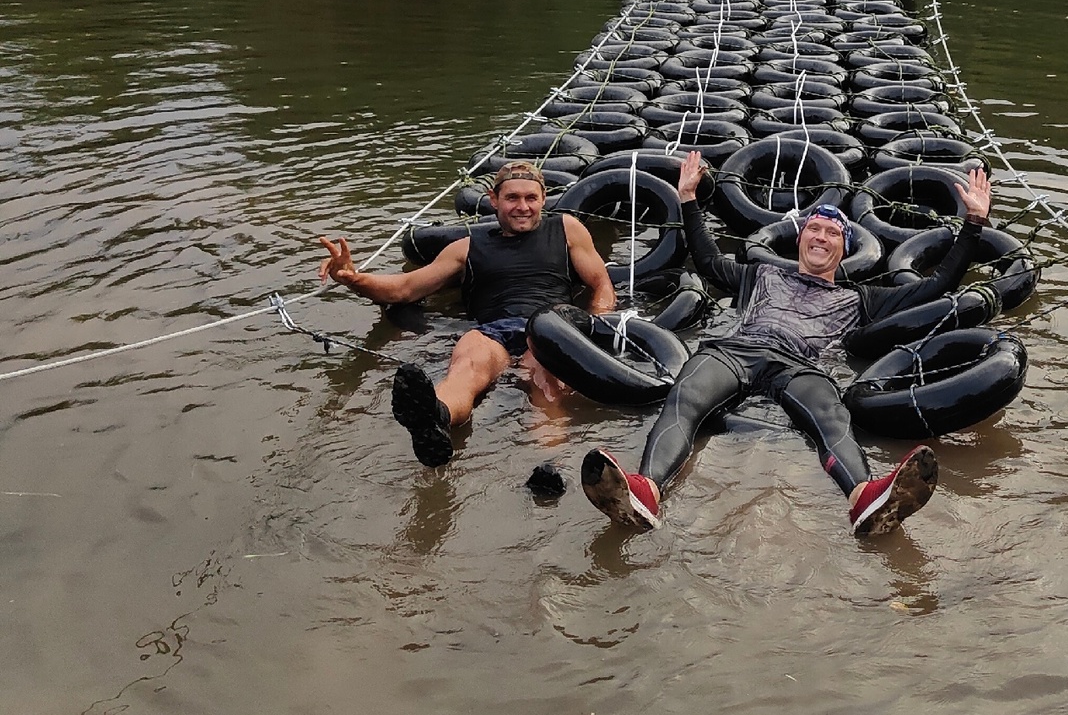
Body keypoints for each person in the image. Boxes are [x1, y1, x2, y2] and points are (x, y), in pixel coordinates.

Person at [580, 148, 994, 540]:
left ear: (844, 248)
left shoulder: (860, 298)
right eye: (813, 228)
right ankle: (647, 490)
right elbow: (706, 259)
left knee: (833, 418)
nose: (820, 236)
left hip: (800, 366)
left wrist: (973, 224)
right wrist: (687, 197)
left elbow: (937, 286)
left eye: (832, 233)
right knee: (684, 398)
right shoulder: (760, 274)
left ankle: (865, 498)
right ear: (800, 239)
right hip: (736, 352)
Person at [318, 160, 617, 468]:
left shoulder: (566, 229)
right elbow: (404, 288)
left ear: (543, 198)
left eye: (531, 198)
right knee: (466, 366)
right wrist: (353, 279)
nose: (522, 206)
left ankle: (549, 465)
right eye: (512, 197)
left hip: (549, 327)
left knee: (545, 380)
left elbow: (601, 285)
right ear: (493, 200)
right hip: (493, 331)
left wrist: (596, 325)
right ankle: (436, 417)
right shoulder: (467, 247)